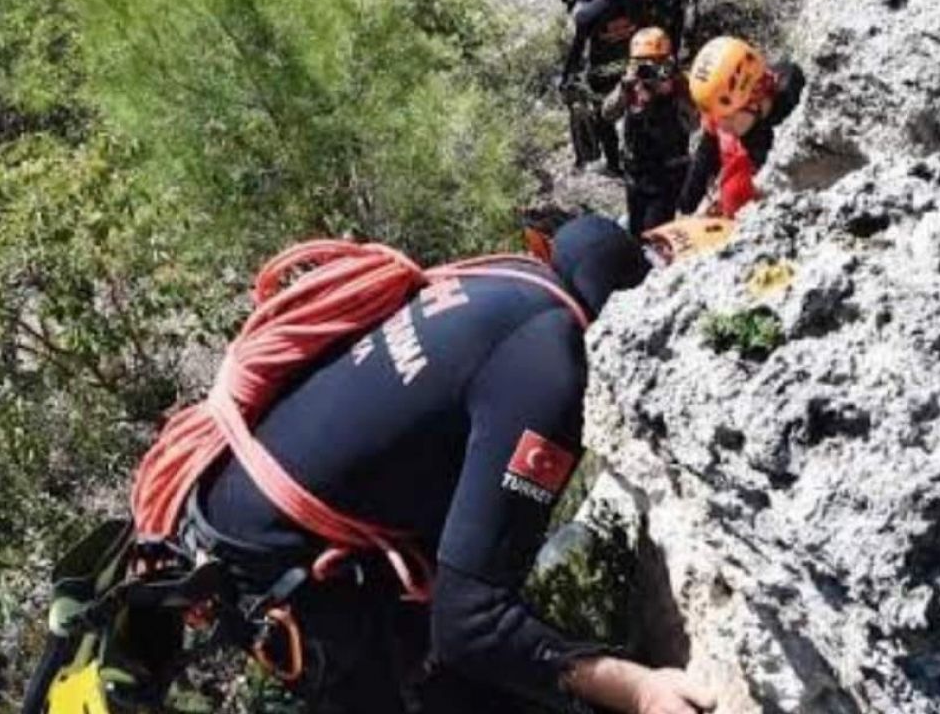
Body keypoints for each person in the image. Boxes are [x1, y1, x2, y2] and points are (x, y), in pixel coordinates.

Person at [186, 216, 716, 714]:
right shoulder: (550, 368)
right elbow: (470, 623)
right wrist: (641, 690)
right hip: (286, 572)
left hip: (232, 509)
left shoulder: (504, 280)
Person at [676, 36, 805, 219]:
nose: (721, 125)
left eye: (727, 118)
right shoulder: (723, 106)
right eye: (716, 117)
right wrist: (687, 203)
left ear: (754, 99)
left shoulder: (794, 114)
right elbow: (706, 154)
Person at [602, 27, 695, 236]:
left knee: (654, 236)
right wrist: (625, 90)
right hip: (636, 173)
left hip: (666, 175)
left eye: (655, 61)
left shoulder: (679, 84)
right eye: (641, 62)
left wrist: (673, 94)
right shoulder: (631, 86)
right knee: (636, 233)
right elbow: (607, 114)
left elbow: (694, 124)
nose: (648, 69)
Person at [560, 0, 651, 176]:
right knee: (636, 113)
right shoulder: (638, 6)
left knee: (603, 119)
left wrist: (566, 79)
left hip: (602, 74)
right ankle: (640, 158)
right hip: (630, 69)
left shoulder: (589, 14)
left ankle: (613, 164)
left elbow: (576, 51)